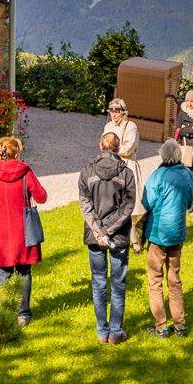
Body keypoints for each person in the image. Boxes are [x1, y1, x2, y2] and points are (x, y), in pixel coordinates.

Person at [0, 135, 48, 326]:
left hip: (1, 231)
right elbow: (41, 197)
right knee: (24, 272)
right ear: (16, 152)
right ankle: (23, 314)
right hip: (23, 231)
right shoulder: (25, 172)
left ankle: (2, 309)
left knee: (4, 273)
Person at [78, 132, 137, 345]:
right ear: (118, 146)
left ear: (100, 145)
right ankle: (115, 331)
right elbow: (128, 206)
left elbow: (85, 203)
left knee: (99, 283)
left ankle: (103, 331)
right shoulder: (126, 174)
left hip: (96, 235)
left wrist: (98, 230)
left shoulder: (87, 171)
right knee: (118, 284)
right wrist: (108, 230)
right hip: (117, 234)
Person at [141, 139, 193, 337]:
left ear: (162, 156)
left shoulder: (158, 175)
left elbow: (147, 202)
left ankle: (161, 326)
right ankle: (180, 324)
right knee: (175, 279)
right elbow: (189, 203)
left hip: (158, 233)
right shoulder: (187, 175)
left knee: (155, 280)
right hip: (177, 232)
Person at [102, 98, 140, 162]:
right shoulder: (108, 126)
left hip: (126, 163)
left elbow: (128, 149)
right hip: (109, 162)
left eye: (117, 111)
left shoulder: (131, 127)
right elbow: (103, 144)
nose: (114, 115)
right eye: (111, 111)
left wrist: (111, 148)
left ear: (123, 112)